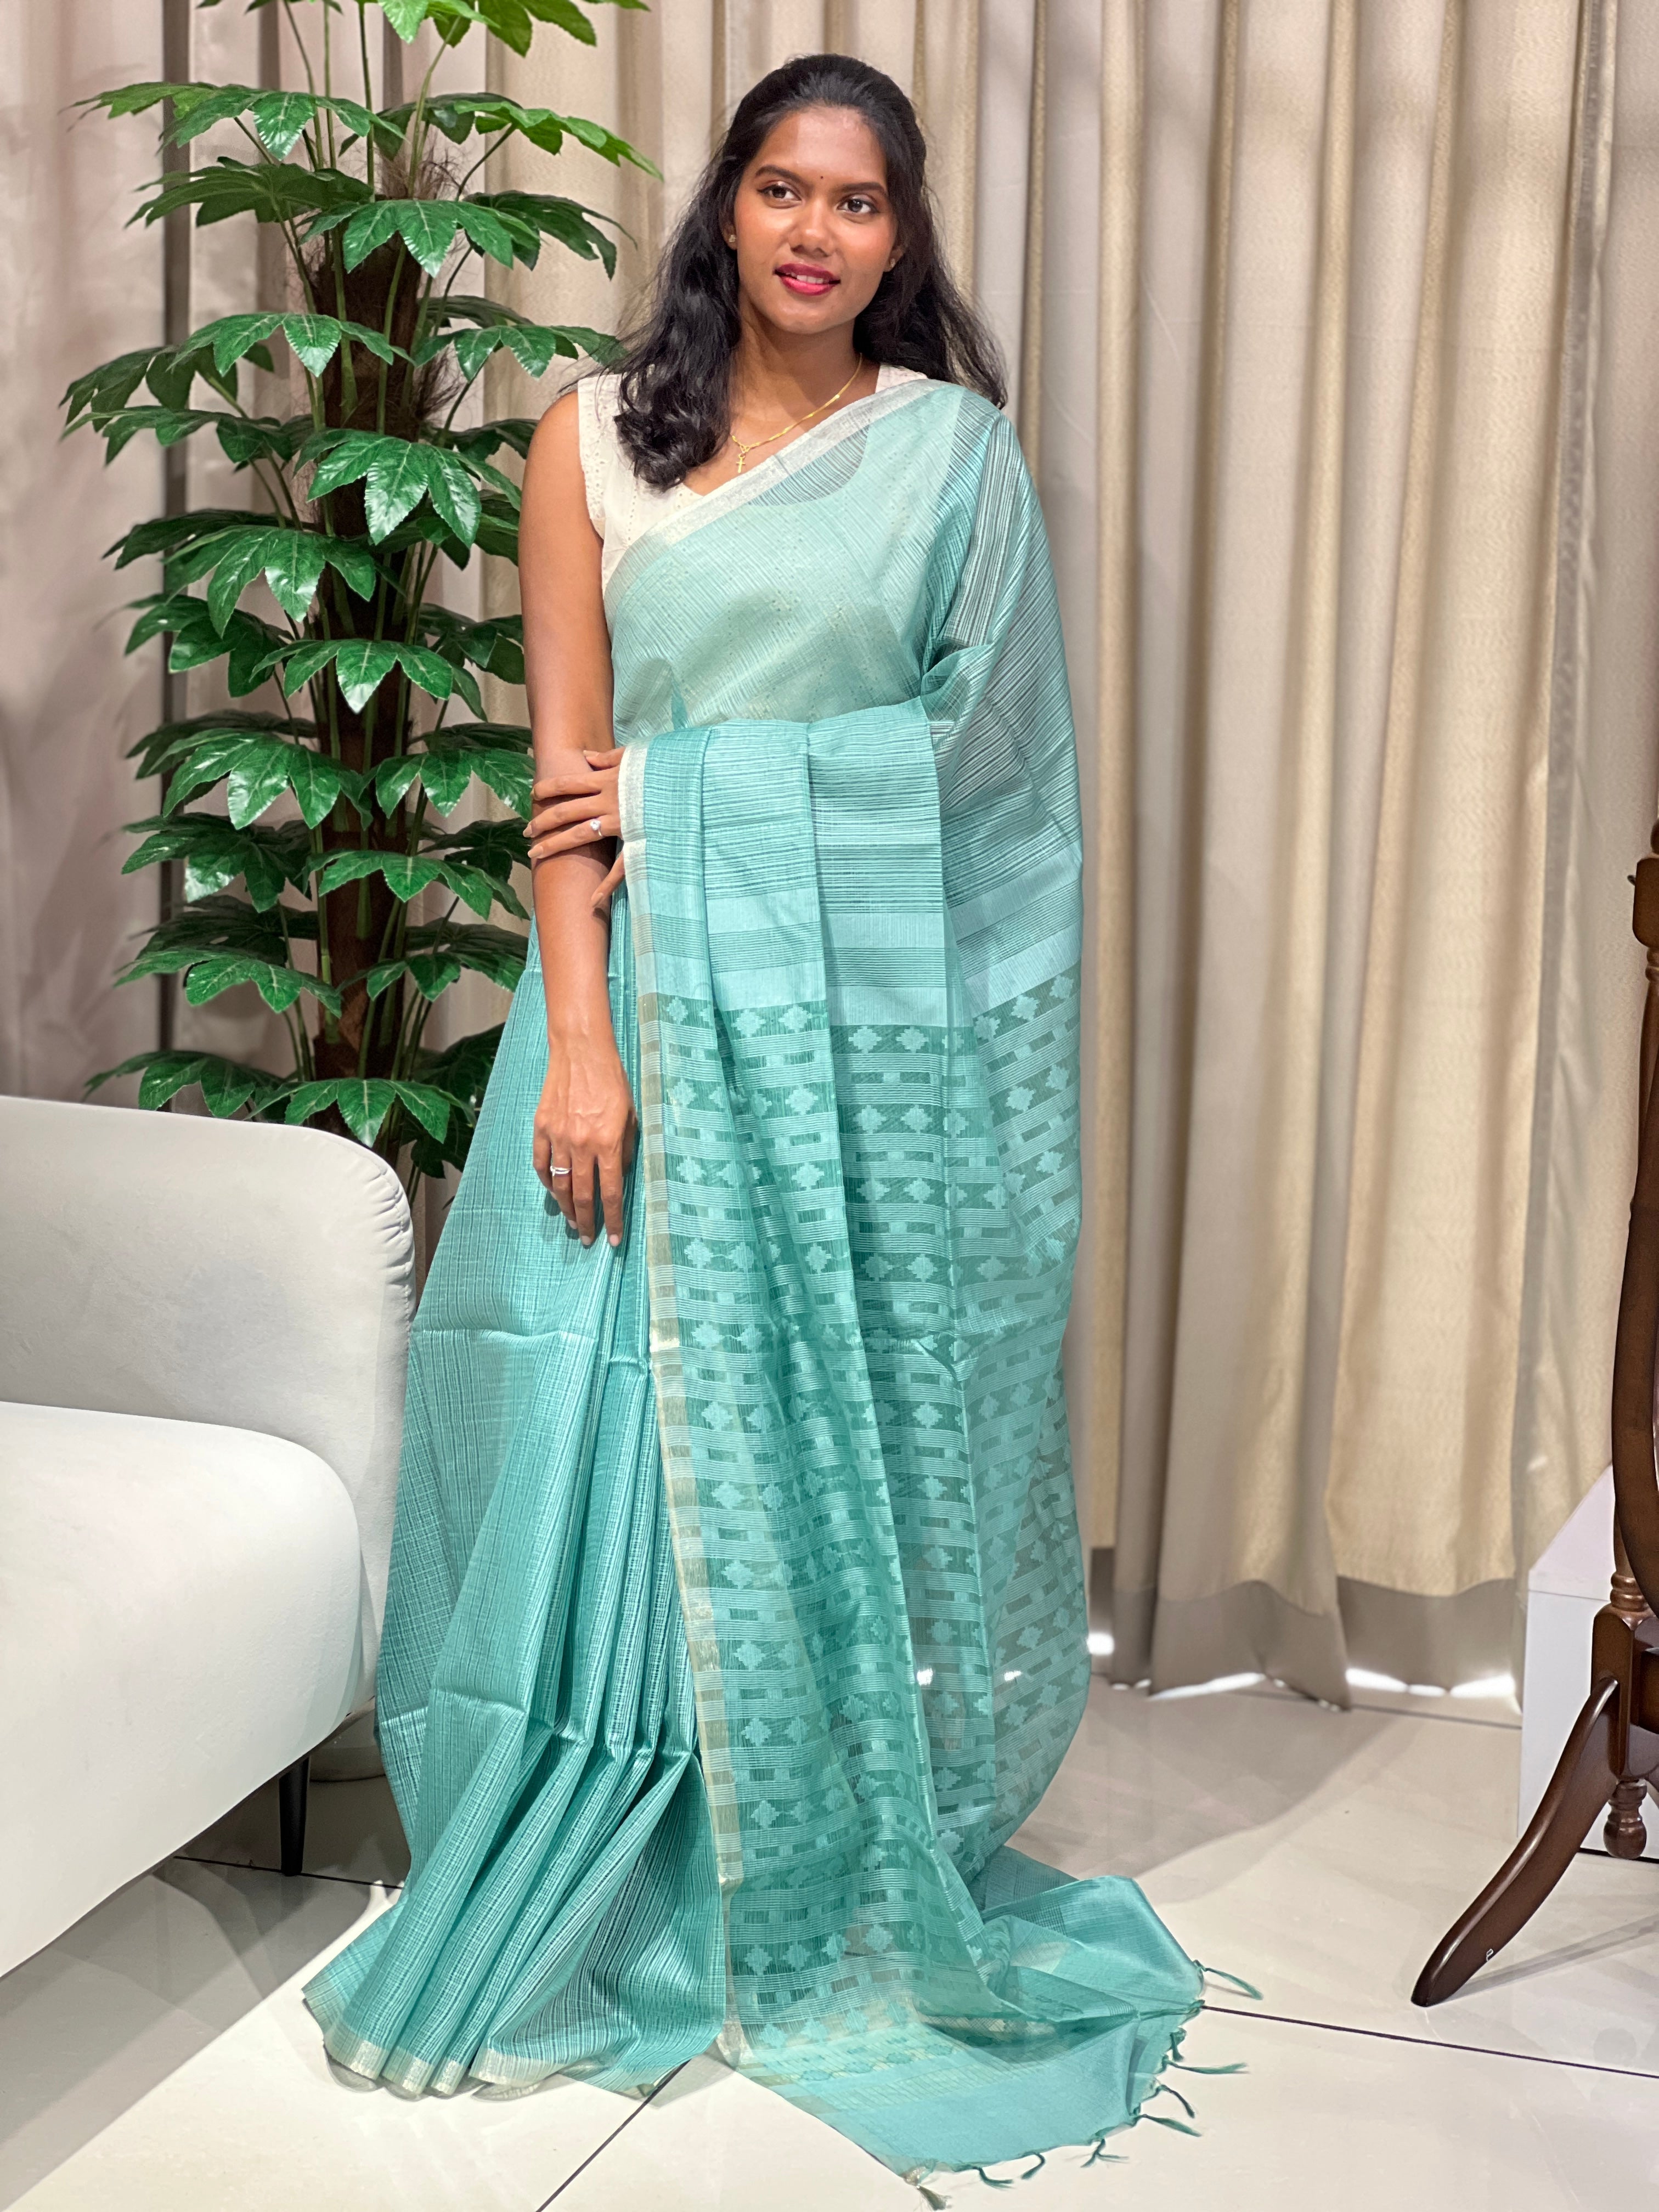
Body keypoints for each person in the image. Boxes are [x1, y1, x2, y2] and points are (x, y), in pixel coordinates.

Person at [304, 52, 1200, 2183]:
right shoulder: (593, 442)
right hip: (632, 1022)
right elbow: (567, 786)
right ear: (727, 207)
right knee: (604, 1441)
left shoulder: (949, 458)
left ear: (901, 236)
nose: (816, 231)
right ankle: (599, 1848)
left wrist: (691, 794)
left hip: (847, 1046)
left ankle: (804, 1834)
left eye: (859, 202)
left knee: (814, 1445)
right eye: (783, 189)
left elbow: (993, 784)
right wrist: (582, 1046)